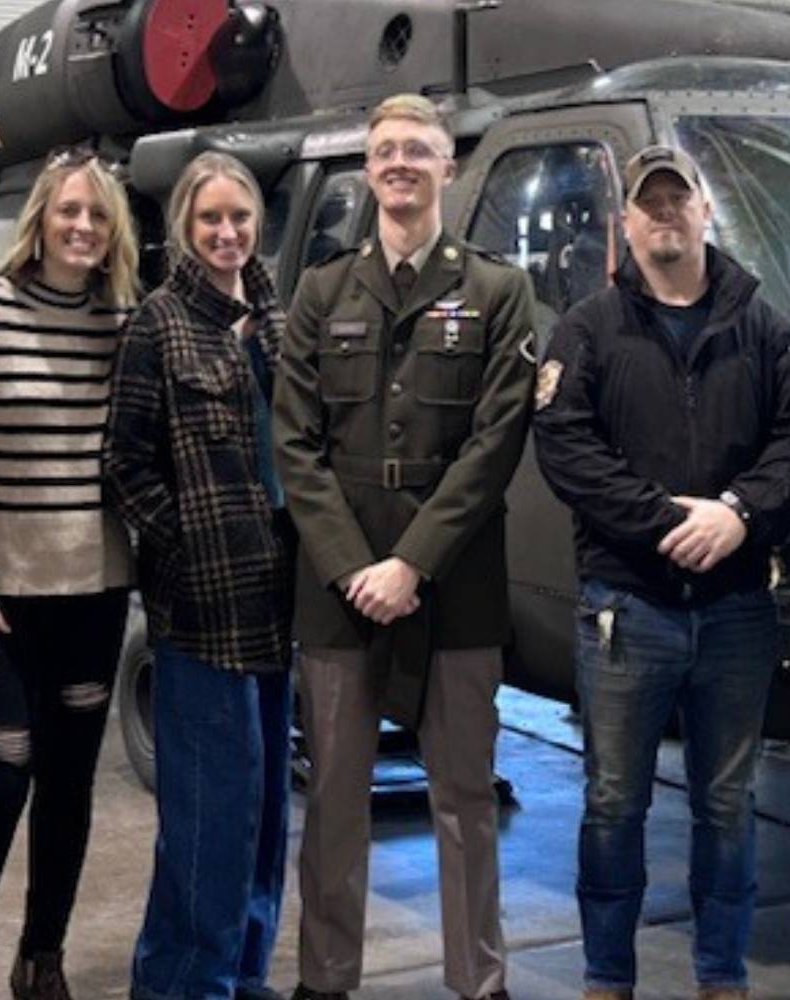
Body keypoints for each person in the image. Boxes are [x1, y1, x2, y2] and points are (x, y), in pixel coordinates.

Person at [532, 145, 790, 1000]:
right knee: (613, 804)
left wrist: (738, 513)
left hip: (737, 610)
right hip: (628, 608)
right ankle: (606, 977)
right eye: (647, 203)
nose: (665, 214)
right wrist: (672, 523)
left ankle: (721, 976)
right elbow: (568, 450)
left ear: (706, 212)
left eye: (679, 199)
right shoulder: (587, 329)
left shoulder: (761, 326)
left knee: (728, 807)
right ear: (625, 225)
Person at [272, 93, 537, 1000]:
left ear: (447, 167)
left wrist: (411, 563)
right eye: (384, 150)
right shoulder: (319, 290)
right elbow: (295, 445)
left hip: (454, 585)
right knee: (337, 797)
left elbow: (496, 442)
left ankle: (480, 981)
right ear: (368, 169)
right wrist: (354, 567)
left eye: (417, 150)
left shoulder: (499, 291)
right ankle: (325, 979)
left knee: (463, 793)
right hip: (338, 590)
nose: (399, 164)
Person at [0, 147, 142, 1000]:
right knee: (1, 776)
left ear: (113, 231)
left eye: (97, 215)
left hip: (91, 595)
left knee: (70, 785)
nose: (81, 226)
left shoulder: (125, 328)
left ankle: (42, 957)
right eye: (68, 211)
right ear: (40, 220)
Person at [103, 151, 295, 1000]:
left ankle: (242, 974)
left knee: (260, 820)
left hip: (277, 602)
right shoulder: (159, 322)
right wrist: (181, 550)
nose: (228, 233)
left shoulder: (274, 316)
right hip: (202, 613)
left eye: (241, 218)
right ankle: (181, 984)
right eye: (211, 218)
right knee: (208, 823)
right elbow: (125, 464)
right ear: (186, 224)